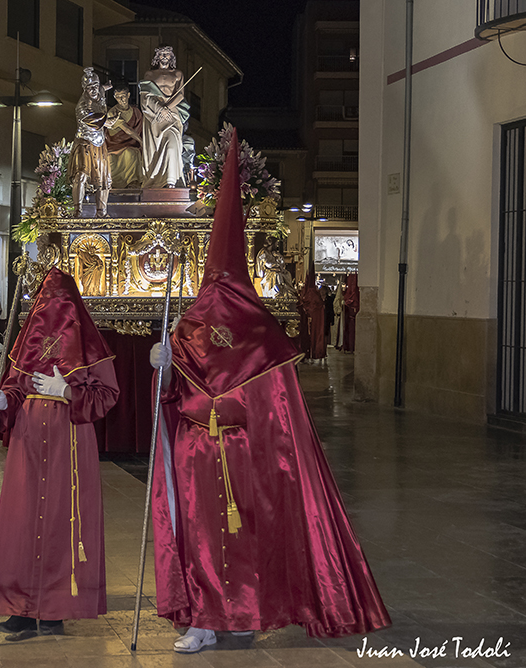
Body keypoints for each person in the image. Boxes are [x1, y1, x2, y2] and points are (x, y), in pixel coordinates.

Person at [148, 131, 389, 653]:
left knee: (245, 534)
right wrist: (161, 368)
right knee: (200, 535)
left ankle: (245, 613)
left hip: (243, 452)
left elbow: (283, 413)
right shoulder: (187, 324)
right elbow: (170, 397)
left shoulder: (257, 330)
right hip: (195, 450)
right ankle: (203, 617)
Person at [0, 267, 119, 638]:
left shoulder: (88, 343)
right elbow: (17, 386)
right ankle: (21, 606)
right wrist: (3, 399)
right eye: (46, 299)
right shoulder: (29, 339)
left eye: (60, 300)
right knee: (22, 520)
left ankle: (55, 607)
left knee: (62, 518)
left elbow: (107, 395)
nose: (52, 307)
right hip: (28, 440)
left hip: (69, 441)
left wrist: (67, 391)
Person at [139, 45, 190, 189]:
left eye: (168, 54)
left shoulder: (177, 74)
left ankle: (171, 180)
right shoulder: (150, 74)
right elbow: (145, 96)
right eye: (162, 54)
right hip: (155, 115)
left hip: (172, 114)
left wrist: (167, 108)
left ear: (171, 56)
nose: (165, 56)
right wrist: (159, 109)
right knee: (156, 150)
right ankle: (156, 180)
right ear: (157, 57)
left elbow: (180, 94)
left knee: (172, 143)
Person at [67, 67, 113, 218]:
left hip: (99, 144)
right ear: (85, 90)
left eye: (95, 87)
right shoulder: (81, 106)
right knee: (81, 175)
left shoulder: (100, 99)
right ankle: (77, 210)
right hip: (84, 143)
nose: (93, 91)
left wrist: (103, 88)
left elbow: (100, 91)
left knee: (103, 177)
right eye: (90, 88)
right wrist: (107, 122)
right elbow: (90, 119)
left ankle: (101, 211)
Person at [105, 82, 143, 189]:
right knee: (124, 154)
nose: (121, 99)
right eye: (118, 97)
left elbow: (141, 128)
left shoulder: (136, 112)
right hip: (115, 144)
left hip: (131, 143)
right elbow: (128, 130)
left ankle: (132, 182)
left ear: (128, 95)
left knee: (131, 153)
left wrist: (142, 142)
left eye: (123, 96)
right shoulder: (113, 112)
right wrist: (141, 141)